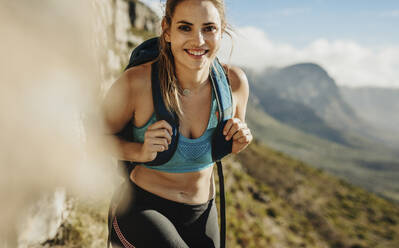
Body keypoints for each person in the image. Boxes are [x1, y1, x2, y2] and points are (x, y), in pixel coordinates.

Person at [102, 0, 252, 247]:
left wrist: (238, 141)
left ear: (221, 30)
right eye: (185, 27)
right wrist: (140, 151)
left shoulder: (234, 83)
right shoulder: (137, 83)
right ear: (167, 30)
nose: (199, 41)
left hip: (202, 212)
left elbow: (229, 141)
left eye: (208, 28)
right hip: (142, 209)